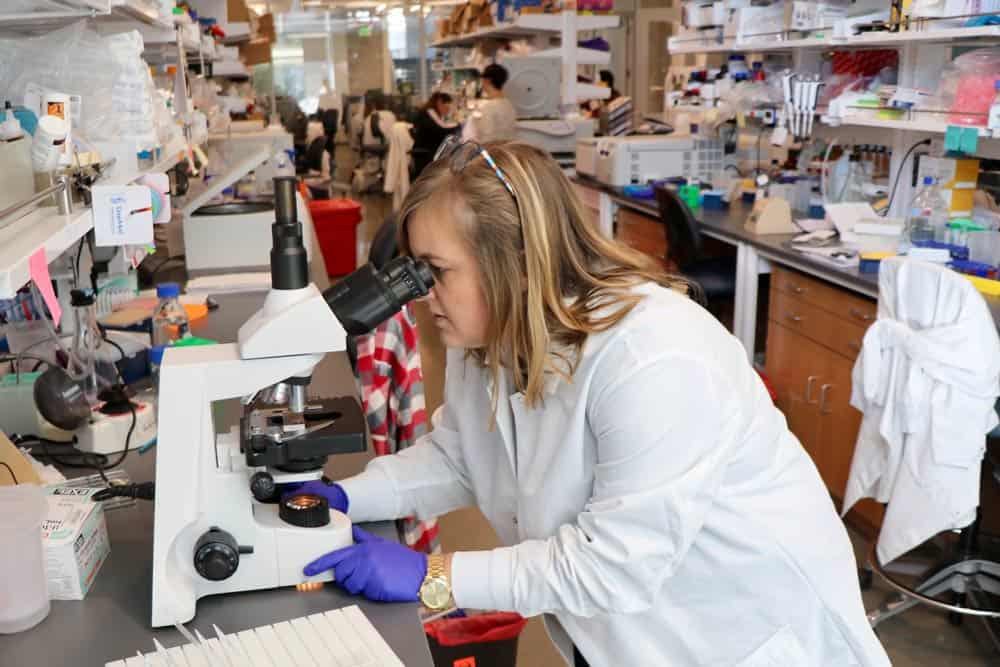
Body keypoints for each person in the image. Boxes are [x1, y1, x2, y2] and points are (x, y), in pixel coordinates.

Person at [290, 141, 891, 666]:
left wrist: (436, 578)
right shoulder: (490, 339)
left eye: (436, 272)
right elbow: (459, 458)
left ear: (518, 266)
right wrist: (344, 497)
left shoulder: (654, 356)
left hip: (739, 636)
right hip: (624, 635)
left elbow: (614, 566)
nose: (422, 298)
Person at [411, 92, 460, 179]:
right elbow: (442, 129)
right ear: (439, 103)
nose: (447, 111)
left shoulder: (431, 113)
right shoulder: (430, 113)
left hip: (430, 149)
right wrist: (458, 124)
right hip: (426, 152)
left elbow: (442, 128)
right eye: (447, 108)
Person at [466, 63, 516, 143]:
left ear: (488, 80)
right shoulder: (508, 103)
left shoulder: (488, 107)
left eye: (482, 79)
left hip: (492, 150)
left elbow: (486, 138)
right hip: (506, 147)